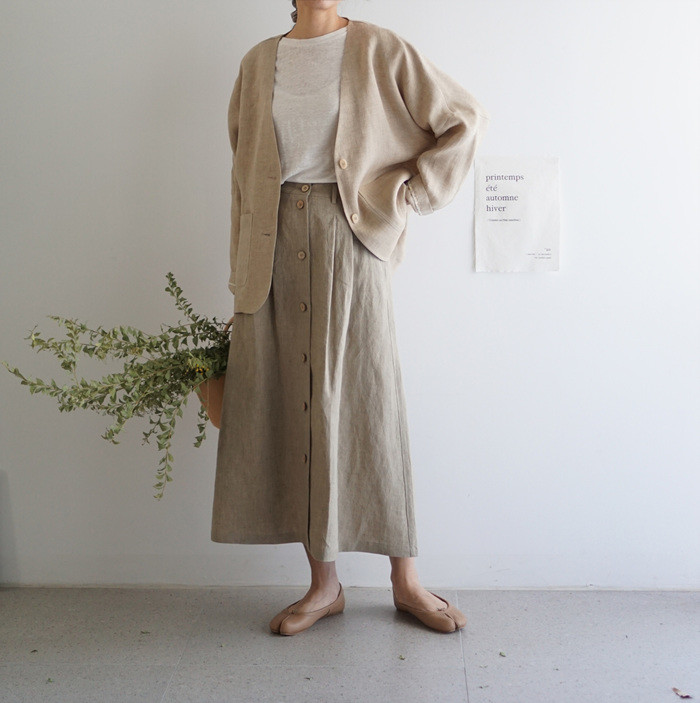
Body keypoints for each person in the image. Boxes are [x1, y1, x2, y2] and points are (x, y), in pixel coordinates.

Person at [211, 0, 490, 636]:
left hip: (352, 238)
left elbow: (463, 119)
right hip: (272, 244)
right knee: (297, 406)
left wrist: (411, 194)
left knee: (369, 400)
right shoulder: (258, 63)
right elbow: (242, 175)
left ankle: (406, 581)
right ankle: (324, 586)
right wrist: (241, 271)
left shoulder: (379, 49)